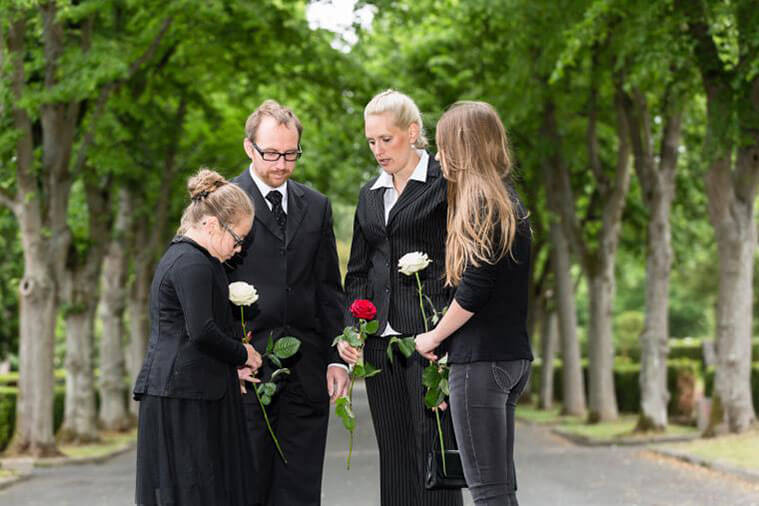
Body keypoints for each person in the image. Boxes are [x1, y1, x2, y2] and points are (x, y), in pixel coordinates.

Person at [340, 89, 463, 506]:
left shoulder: (446, 185)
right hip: (379, 346)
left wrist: (447, 337)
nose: (378, 150)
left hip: (429, 343)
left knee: (432, 454)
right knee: (393, 456)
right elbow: (358, 271)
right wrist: (351, 331)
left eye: (386, 139)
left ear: (412, 132)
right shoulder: (369, 194)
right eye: (371, 141)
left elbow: (461, 266)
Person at [228, 99, 349, 506]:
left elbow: (329, 288)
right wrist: (229, 357)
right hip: (247, 370)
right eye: (272, 154)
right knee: (248, 486)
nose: (281, 164)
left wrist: (337, 357)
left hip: (308, 371)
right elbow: (208, 289)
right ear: (249, 148)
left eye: (291, 154)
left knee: (300, 489)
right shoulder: (221, 204)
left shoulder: (317, 206)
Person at [415, 101, 533, 506]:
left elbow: (475, 290)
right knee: (499, 490)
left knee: (487, 493)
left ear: (463, 149)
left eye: (444, 146)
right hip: (510, 359)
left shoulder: (480, 205)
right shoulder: (507, 201)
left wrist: (433, 337)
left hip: (482, 364)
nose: (436, 156)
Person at [133, 168, 263, 506]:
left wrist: (230, 367)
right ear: (210, 225)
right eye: (238, 239)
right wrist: (242, 354)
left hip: (188, 390)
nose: (238, 249)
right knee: (191, 491)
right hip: (180, 395)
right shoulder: (191, 262)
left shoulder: (195, 259)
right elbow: (201, 331)